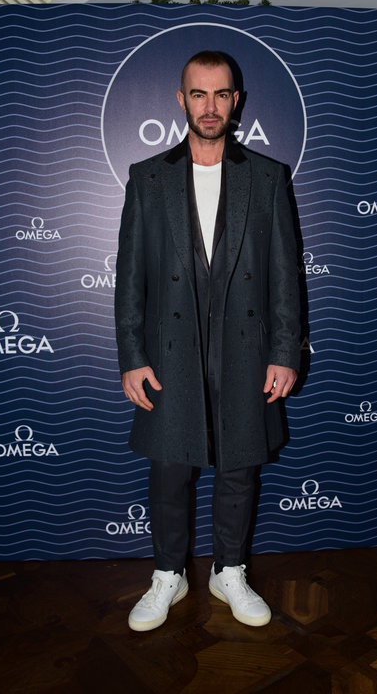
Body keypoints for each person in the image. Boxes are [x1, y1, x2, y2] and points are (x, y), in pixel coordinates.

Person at [114, 50, 300, 632]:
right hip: (170, 351)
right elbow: (130, 278)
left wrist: (284, 351)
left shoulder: (266, 176)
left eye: (221, 94)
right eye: (199, 94)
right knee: (170, 468)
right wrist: (132, 356)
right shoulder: (148, 177)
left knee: (239, 467)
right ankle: (168, 574)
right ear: (182, 100)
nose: (210, 106)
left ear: (235, 101)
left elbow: (285, 276)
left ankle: (229, 570)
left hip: (245, 348)